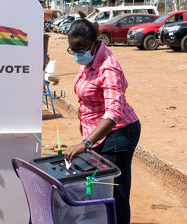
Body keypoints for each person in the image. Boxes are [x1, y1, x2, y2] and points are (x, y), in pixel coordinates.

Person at [64, 19, 141, 224]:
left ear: (95, 43)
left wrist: (85, 143)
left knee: (115, 193)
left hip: (118, 135)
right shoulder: (90, 59)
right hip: (97, 135)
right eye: (73, 50)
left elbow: (114, 114)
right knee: (99, 188)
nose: (78, 53)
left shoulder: (108, 68)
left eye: (81, 49)